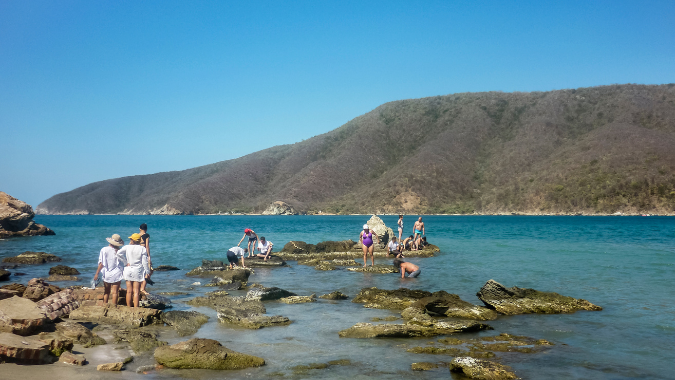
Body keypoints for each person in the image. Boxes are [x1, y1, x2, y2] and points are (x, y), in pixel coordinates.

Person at [117, 233, 150, 308]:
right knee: (136, 291)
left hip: (128, 270)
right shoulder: (142, 249)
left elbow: (118, 254)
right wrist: (147, 272)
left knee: (129, 291)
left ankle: (129, 308)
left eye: (130, 239)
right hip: (137, 271)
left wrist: (125, 262)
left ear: (132, 240)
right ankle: (136, 308)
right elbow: (145, 262)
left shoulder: (127, 247)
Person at [93, 234, 124, 305]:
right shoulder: (119, 251)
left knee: (106, 292)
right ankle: (114, 308)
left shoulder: (104, 250)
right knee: (115, 292)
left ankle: (104, 306)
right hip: (117, 273)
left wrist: (97, 273)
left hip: (107, 273)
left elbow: (101, 263)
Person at [139, 223, 154, 294]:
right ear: (146, 229)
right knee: (149, 270)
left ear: (140, 229)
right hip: (144, 254)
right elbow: (147, 246)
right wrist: (149, 256)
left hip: (137, 254)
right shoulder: (146, 235)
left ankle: (139, 287)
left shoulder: (137, 236)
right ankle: (142, 288)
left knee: (140, 270)